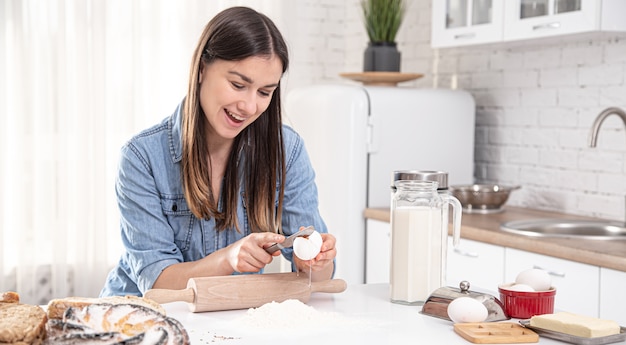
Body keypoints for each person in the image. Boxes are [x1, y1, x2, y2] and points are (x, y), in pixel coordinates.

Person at [100, 6, 336, 296]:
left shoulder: (287, 150)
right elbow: (157, 282)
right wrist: (227, 259)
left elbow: (321, 276)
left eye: (264, 92)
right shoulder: (141, 157)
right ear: (202, 69)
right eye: (238, 84)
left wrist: (314, 261)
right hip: (138, 314)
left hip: (221, 318)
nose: (250, 107)